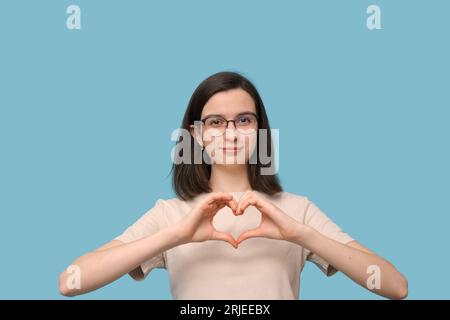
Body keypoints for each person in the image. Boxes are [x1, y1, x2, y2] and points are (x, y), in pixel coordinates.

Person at [59, 71, 408, 299]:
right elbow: (72, 281)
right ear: (195, 134)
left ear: (259, 130)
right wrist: (176, 235)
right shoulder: (171, 215)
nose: (230, 133)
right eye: (215, 122)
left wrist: (301, 235)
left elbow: (396, 286)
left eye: (243, 120)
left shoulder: (296, 210)